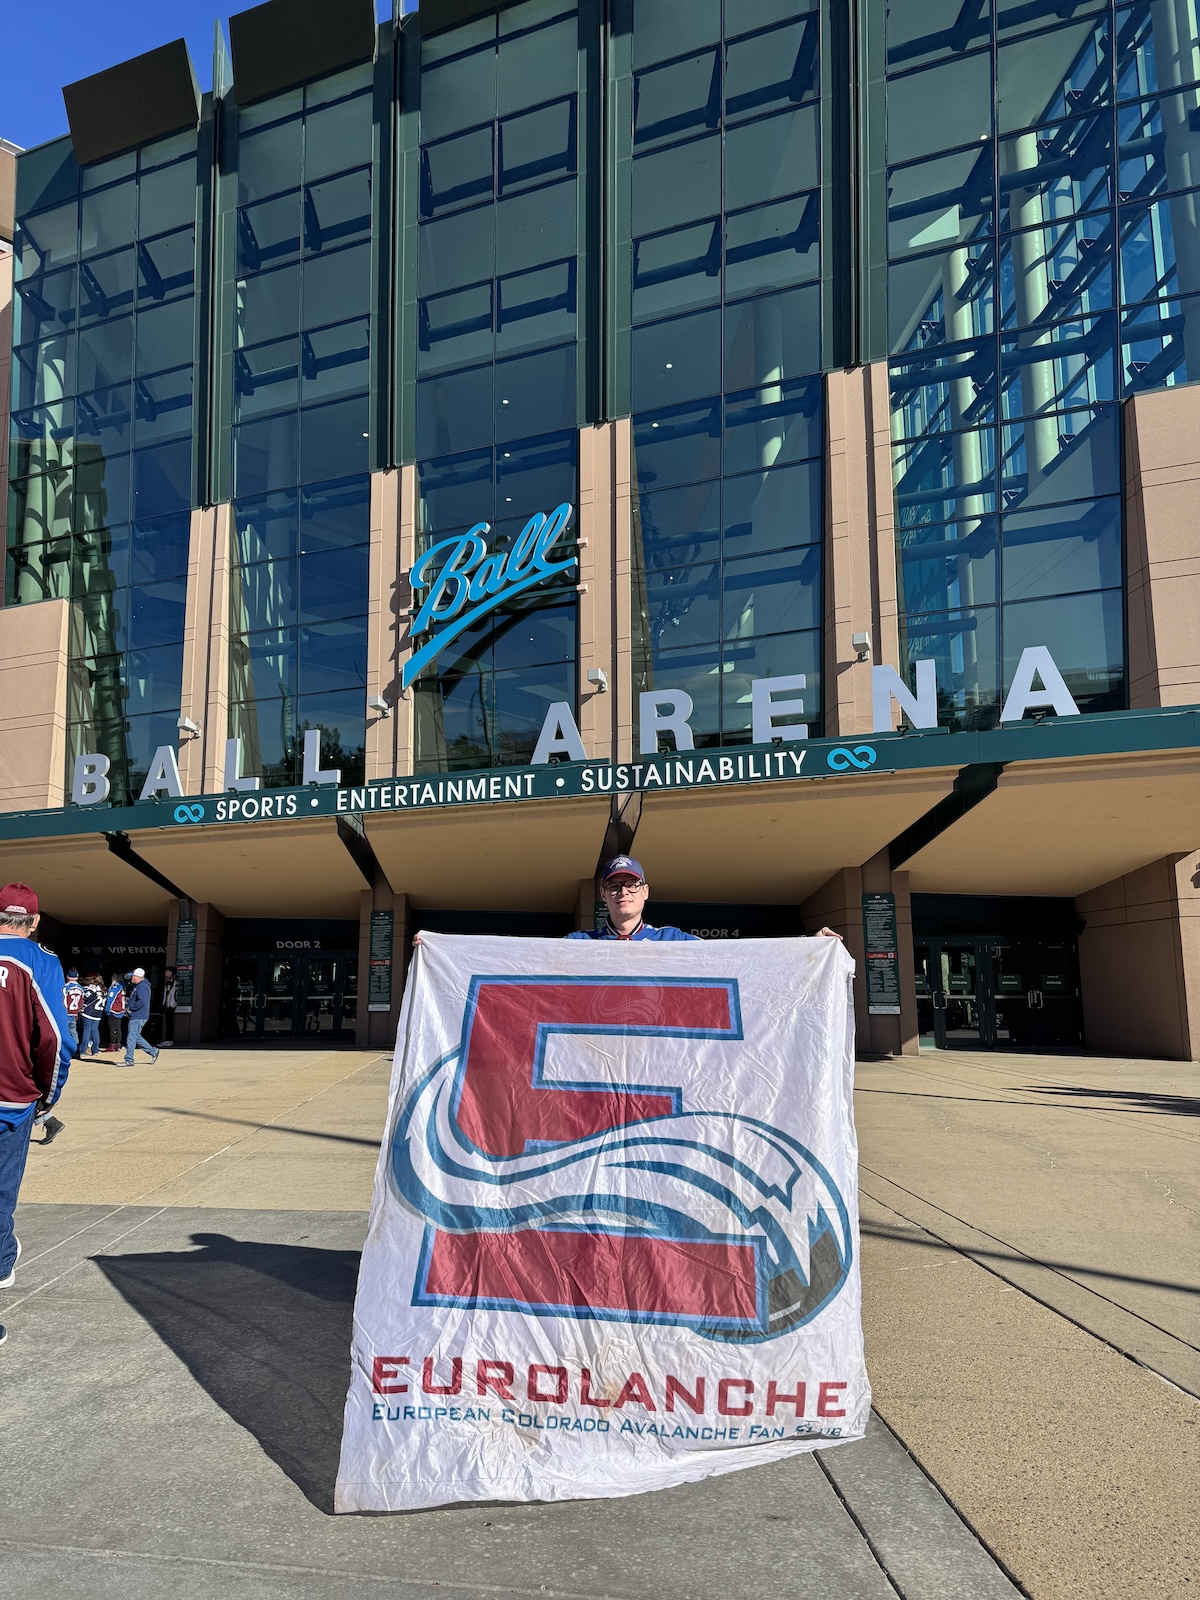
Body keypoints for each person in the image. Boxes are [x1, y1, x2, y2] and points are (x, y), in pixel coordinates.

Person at [0, 883, 73, 1348]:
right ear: (35, 921)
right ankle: (2, 1259)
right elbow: (54, 1039)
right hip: (10, 1099)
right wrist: (49, 1094)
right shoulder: (38, 960)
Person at [567, 857, 698, 941]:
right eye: (614, 887)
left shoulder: (673, 939)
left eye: (631, 885)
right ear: (603, 894)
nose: (623, 892)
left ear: (645, 891)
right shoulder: (578, 942)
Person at [122, 967, 160, 1067]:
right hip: (138, 1015)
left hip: (138, 1016)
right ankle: (153, 1051)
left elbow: (142, 1001)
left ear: (137, 977)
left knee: (131, 1038)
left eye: (133, 976)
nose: (131, 978)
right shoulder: (140, 986)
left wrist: (131, 1008)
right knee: (136, 1036)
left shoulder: (142, 987)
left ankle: (129, 1059)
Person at [79, 972, 104, 1059]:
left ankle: (82, 1051)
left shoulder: (92, 988)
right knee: (95, 1031)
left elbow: (86, 997)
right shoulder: (103, 989)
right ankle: (95, 1050)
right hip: (98, 1013)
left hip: (89, 1012)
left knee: (87, 1030)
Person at [62, 968, 84, 1056]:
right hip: (74, 1013)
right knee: (74, 1032)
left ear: (67, 977)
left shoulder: (65, 987)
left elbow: (63, 1001)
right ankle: (76, 1050)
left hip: (66, 1013)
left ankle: (66, 1051)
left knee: (65, 1032)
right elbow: (81, 1002)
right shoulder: (80, 988)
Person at [103, 974, 127, 1053]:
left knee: (112, 1028)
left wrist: (107, 1010)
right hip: (120, 1010)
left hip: (114, 1010)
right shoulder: (122, 988)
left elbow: (110, 999)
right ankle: (118, 1044)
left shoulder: (115, 988)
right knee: (118, 1028)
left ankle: (112, 1045)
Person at [160, 967, 177, 1048]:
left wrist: (165, 1005)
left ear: (171, 972)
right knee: (169, 1022)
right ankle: (169, 1040)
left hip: (169, 1005)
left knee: (169, 1023)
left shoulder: (170, 981)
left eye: (167, 971)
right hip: (173, 1004)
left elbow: (168, 993)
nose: (165, 973)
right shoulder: (175, 980)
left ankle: (168, 1040)